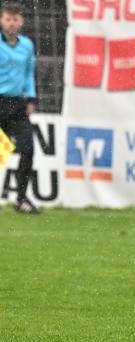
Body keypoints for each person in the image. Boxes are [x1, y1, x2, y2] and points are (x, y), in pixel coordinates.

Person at [0, 2, 39, 213]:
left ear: (21, 21)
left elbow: (28, 74)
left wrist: (32, 98)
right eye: (8, 19)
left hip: (16, 105)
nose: (12, 23)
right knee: (0, 153)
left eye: (15, 19)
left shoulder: (27, 45)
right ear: (1, 20)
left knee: (28, 149)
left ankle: (21, 199)